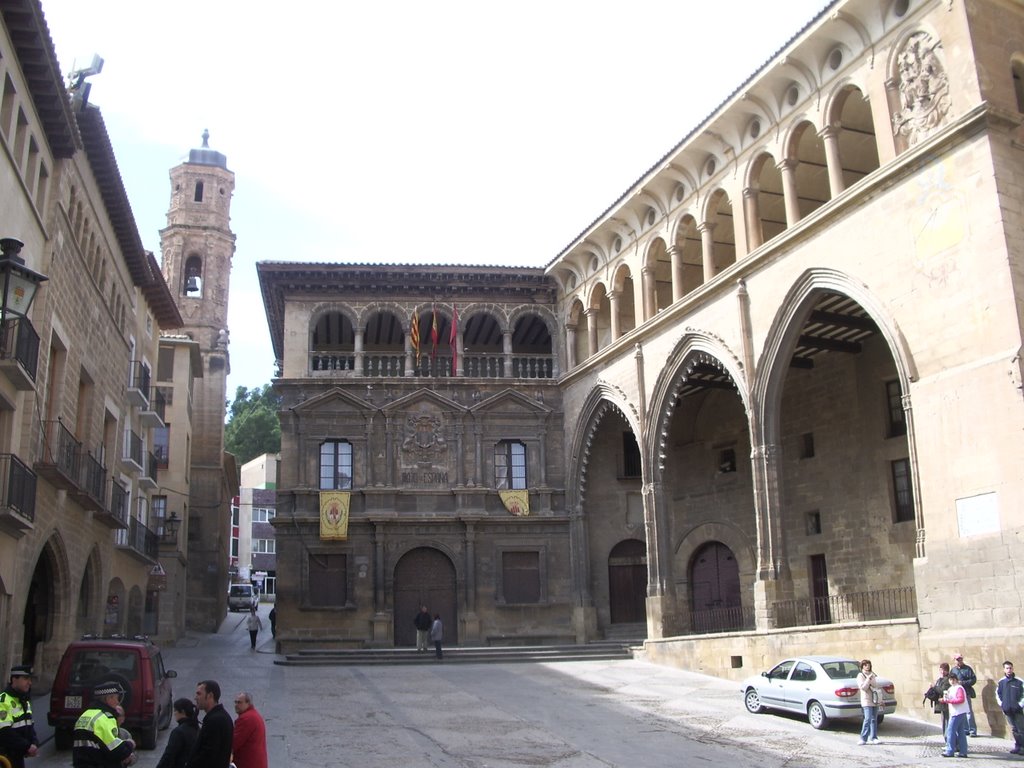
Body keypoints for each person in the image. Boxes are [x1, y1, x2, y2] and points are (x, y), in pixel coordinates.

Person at [72, 680, 136, 767]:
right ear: (109, 699)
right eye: (116, 698)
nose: (118, 702)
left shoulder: (85, 715)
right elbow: (116, 751)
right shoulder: (105, 718)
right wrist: (130, 744)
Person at [189, 679, 234, 768]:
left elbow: (208, 755)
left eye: (199, 694)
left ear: (210, 696)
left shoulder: (215, 720)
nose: (195, 697)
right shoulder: (220, 716)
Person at [0, 665, 38, 768]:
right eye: (25, 679)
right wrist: (27, 746)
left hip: (18, 756)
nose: (29, 683)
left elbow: (30, 725)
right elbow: (4, 732)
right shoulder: (3, 700)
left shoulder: (24, 701)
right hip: (5, 758)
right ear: (14, 679)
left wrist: (34, 743)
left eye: (30, 679)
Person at [155, 698, 199, 768]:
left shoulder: (178, 732)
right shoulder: (197, 729)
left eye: (175, 710)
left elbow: (168, 756)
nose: (174, 714)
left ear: (182, 712)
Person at [231, 692, 267, 768]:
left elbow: (233, 743)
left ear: (248, 703)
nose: (236, 705)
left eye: (239, 702)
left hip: (248, 763)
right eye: (235, 702)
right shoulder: (254, 715)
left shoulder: (246, 719)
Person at [997, 660, 1024, 755]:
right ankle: (1017, 746)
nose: (1009, 670)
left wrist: (1020, 704)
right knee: (1014, 729)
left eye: (1010, 668)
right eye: (1007, 668)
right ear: (1004, 669)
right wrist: (1002, 704)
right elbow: (998, 694)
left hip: (1017, 710)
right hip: (1007, 709)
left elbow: (1023, 694)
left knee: (1021, 729)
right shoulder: (1001, 682)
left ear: (1013, 669)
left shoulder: (1019, 681)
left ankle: (1023, 747)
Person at [942, 671, 970, 757]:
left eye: (953, 679)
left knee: (950, 731)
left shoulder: (959, 688)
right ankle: (963, 751)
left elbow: (960, 699)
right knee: (961, 732)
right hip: (957, 712)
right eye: (950, 680)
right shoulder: (951, 689)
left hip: (957, 713)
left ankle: (950, 750)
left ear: (956, 680)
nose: (952, 681)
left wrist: (949, 701)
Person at [950, 652, 978, 736]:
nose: (959, 661)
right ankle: (965, 729)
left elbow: (973, 680)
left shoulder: (968, 669)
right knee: (962, 712)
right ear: (954, 660)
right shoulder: (953, 670)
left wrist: (963, 683)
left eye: (960, 659)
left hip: (966, 692)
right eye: (957, 659)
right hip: (957, 694)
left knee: (969, 712)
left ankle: (972, 730)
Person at [856, 659, 882, 745]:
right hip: (866, 700)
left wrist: (872, 678)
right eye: (865, 665)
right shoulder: (860, 675)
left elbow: (875, 685)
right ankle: (863, 738)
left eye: (868, 665)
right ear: (862, 666)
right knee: (867, 719)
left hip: (874, 699)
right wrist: (868, 679)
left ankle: (874, 737)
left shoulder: (872, 675)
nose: (867, 666)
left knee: (874, 719)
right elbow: (863, 688)